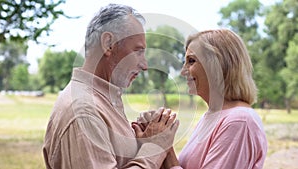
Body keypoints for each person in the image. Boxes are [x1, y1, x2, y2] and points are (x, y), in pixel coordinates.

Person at [43, 3, 179, 169]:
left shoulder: (99, 101)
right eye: (138, 51)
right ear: (108, 44)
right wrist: (155, 147)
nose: (144, 65)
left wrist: (141, 144)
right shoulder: (83, 111)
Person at [135, 29, 267, 169]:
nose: (183, 71)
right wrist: (154, 141)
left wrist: (162, 145)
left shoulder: (239, 121)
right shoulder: (211, 116)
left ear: (218, 65)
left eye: (191, 61)